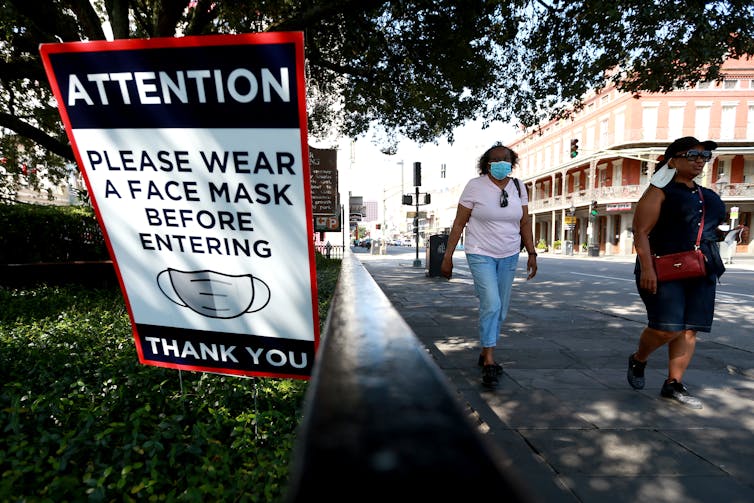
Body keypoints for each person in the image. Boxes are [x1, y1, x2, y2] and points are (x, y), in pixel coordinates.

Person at [627, 136, 739, 409]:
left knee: (689, 331)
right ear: (672, 159)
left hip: (702, 269)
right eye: (692, 155)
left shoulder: (709, 196)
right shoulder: (659, 191)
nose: (700, 160)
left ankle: (673, 383)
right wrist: (647, 269)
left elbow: (707, 230)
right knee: (666, 328)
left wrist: (729, 235)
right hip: (662, 269)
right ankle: (639, 358)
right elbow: (641, 232)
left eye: (704, 156)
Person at [440, 142, 537, 388]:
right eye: (495, 160)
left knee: (501, 309)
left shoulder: (518, 186)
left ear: (511, 163)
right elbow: (459, 223)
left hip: (510, 254)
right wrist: (447, 256)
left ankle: (485, 349)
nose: (501, 164)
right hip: (480, 253)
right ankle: (490, 362)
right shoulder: (475, 186)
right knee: (491, 303)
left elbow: (524, 222)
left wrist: (533, 253)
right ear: (486, 165)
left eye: (505, 159)